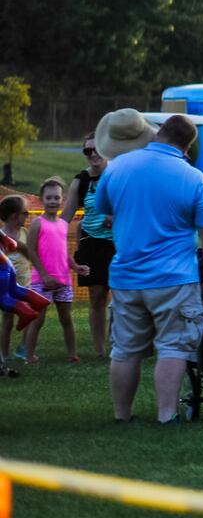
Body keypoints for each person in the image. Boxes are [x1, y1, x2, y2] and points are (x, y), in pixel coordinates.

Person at [93, 111, 203, 424]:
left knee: (125, 349)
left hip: (126, 276)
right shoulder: (193, 177)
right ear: (188, 146)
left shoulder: (118, 166)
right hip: (175, 278)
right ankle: (167, 415)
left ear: (159, 132)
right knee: (174, 346)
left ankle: (122, 415)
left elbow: (102, 209)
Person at [21, 178, 85, 364]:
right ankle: (29, 356)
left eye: (56, 198)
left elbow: (64, 252)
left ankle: (72, 354)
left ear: (62, 199)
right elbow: (31, 250)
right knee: (37, 320)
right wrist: (44, 275)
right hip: (41, 282)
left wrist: (75, 266)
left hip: (63, 281)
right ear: (42, 200)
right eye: (48, 198)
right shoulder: (37, 224)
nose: (52, 201)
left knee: (66, 319)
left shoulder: (63, 225)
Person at [61, 134, 113, 358]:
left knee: (123, 295)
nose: (92, 154)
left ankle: (119, 345)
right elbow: (64, 218)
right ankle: (100, 349)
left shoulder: (118, 176)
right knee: (96, 295)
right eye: (87, 151)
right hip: (91, 242)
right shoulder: (80, 181)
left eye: (96, 149)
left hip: (119, 243)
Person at [0, 196, 35, 374]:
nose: (27, 216)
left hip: (24, 283)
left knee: (29, 314)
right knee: (7, 319)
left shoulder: (25, 233)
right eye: (25, 213)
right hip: (7, 286)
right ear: (14, 216)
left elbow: (31, 254)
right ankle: (5, 354)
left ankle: (23, 348)